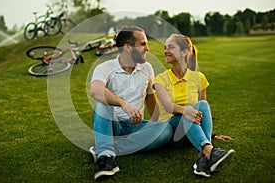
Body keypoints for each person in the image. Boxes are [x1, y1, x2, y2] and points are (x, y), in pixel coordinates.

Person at [89, 26, 173, 180]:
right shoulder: (105, 67)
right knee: (102, 103)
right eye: (142, 44)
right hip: (113, 124)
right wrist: (124, 104)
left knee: (166, 130)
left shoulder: (147, 68)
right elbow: (95, 90)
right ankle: (106, 158)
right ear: (127, 47)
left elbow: (150, 97)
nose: (147, 48)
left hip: (136, 125)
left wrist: (153, 127)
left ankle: (105, 148)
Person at [153, 34, 235, 177]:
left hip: (192, 136)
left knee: (202, 104)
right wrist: (186, 110)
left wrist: (211, 133)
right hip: (173, 134)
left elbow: (204, 110)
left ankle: (205, 155)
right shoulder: (160, 79)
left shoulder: (199, 78)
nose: (165, 51)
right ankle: (211, 152)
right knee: (189, 110)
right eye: (164, 47)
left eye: (171, 47)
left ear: (184, 52)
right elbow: (168, 106)